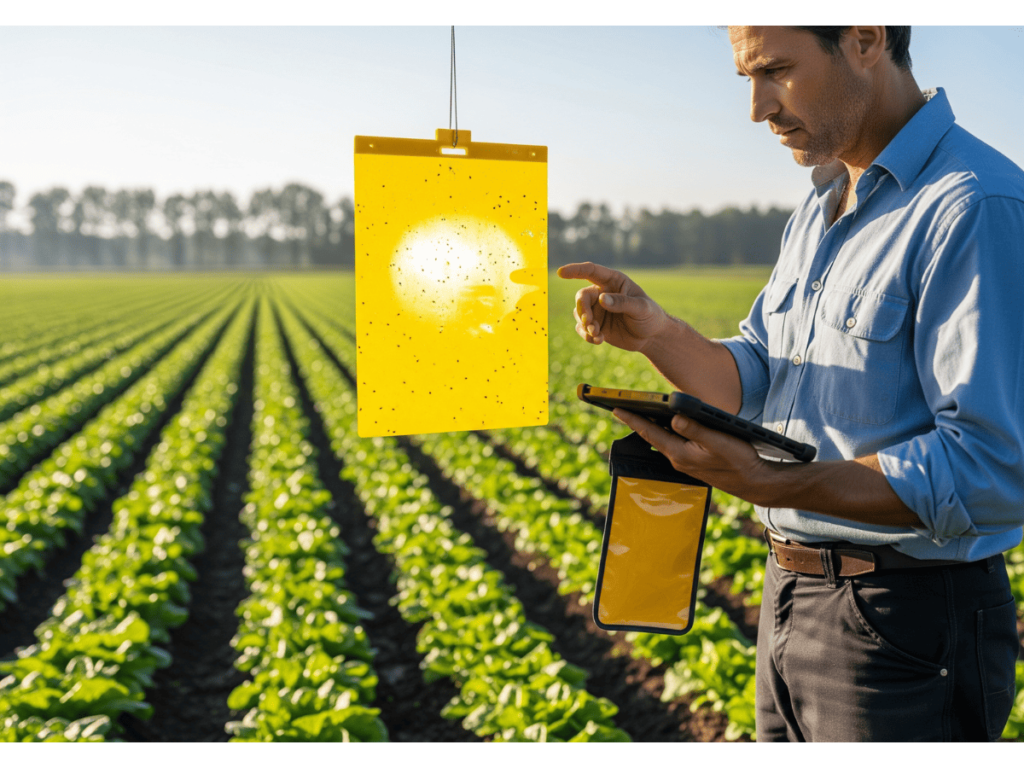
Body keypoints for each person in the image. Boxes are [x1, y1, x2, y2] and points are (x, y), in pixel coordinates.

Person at [559, 25, 1024, 742]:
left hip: (905, 616)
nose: (757, 107)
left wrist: (775, 485)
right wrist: (656, 332)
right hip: (789, 595)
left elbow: (989, 465)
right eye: (748, 76)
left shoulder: (974, 205)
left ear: (865, 39)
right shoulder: (820, 204)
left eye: (775, 70)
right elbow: (761, 374)